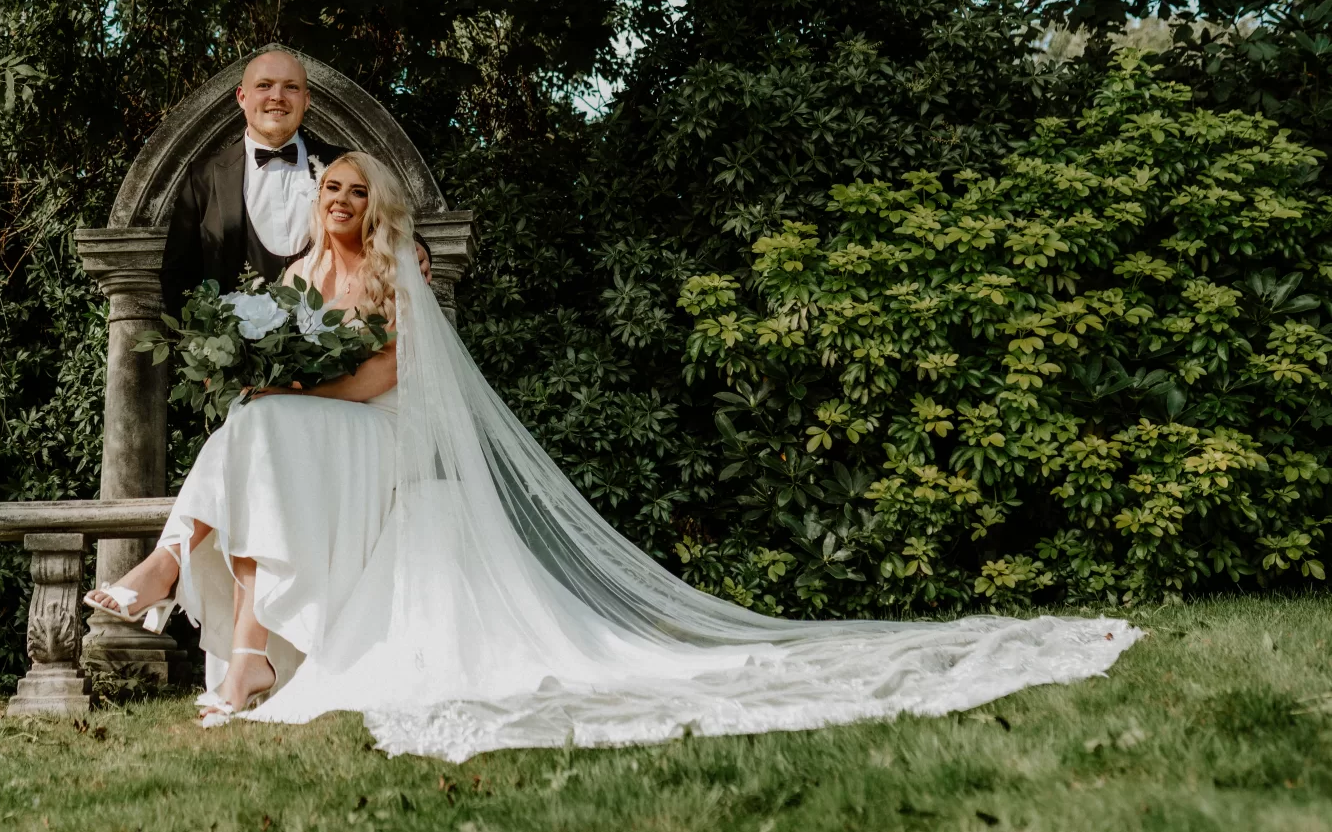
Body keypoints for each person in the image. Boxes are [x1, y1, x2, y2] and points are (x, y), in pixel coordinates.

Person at [96, 153, 1141, 761]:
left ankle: (173, 578)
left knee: (263, 424)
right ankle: (220, 629)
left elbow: (382, 382)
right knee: (250, 424)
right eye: (332, 189)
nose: (340, 204)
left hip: (372, 432)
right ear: (318, 197)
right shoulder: (293, 280)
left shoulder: (393, 269)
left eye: (357, 193)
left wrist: (292, 388)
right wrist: (272, 380)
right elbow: (262, 370)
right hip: (306, 436)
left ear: (378, 206)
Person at [159, 49, 346, 321]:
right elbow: (177, 276)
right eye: (264, 85)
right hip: (236, 357)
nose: (277, 97)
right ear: (242, 97)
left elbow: (383, 222)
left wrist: (417, 246)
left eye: (291, 87)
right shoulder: (203, 177)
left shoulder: (343, 164)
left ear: (306, 101)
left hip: (333, 352)